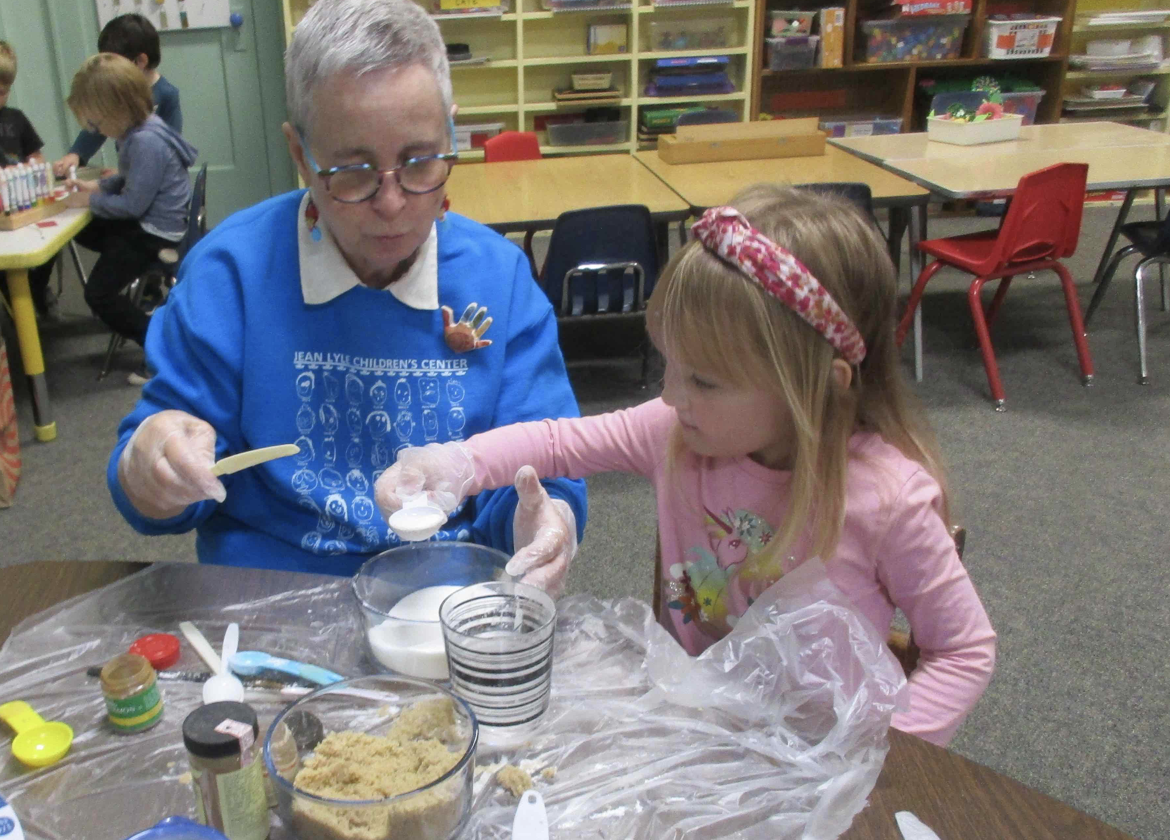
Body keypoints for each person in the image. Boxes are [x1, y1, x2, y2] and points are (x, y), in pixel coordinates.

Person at [375, 185, 997, 745]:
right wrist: (457, 463)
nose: (670, 395)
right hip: (704, 727)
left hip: (822, 756)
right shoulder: (678, 431)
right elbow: (558, 442)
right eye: (668, 363)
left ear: (820, 387)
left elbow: (964, 650)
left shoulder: (888, 501)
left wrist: (893, 757)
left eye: (702, 378)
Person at [106, 0, 585, 578]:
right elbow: (155, 477)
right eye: (352, 172)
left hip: (443, 607)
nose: (391, 204)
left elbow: (543, 467)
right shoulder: (231, 273)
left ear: (451, 131)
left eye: (420, 161)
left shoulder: (500, 281)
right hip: (273, 597)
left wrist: (543, 518)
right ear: (300, 156)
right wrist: (151, 469)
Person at [60, 54, 196, 357]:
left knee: (98, 293)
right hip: (151, 222)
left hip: (155, 233)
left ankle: (161, 347)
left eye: (96, 122)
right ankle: (123, 269)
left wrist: (92, 200)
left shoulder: (144, 142)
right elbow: (129, 179)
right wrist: (97, 187)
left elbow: (132, 205)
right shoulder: (143, 128)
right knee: (83, 230)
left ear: (117, 110)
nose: (95, 129)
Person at [53, 13, 181, 179]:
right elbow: (97, 127)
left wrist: (125, 175)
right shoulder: (114, 92)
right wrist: (76, 154)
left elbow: (170, 153)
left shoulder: (166, 94)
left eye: (114, 65)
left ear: (140, 61)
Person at [0, 40, 55, 317]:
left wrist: (31, 166)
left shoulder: (16, 118)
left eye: (3, 92)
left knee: (49, 245)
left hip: (22, 203)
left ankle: (33, 292)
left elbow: (36, 156)